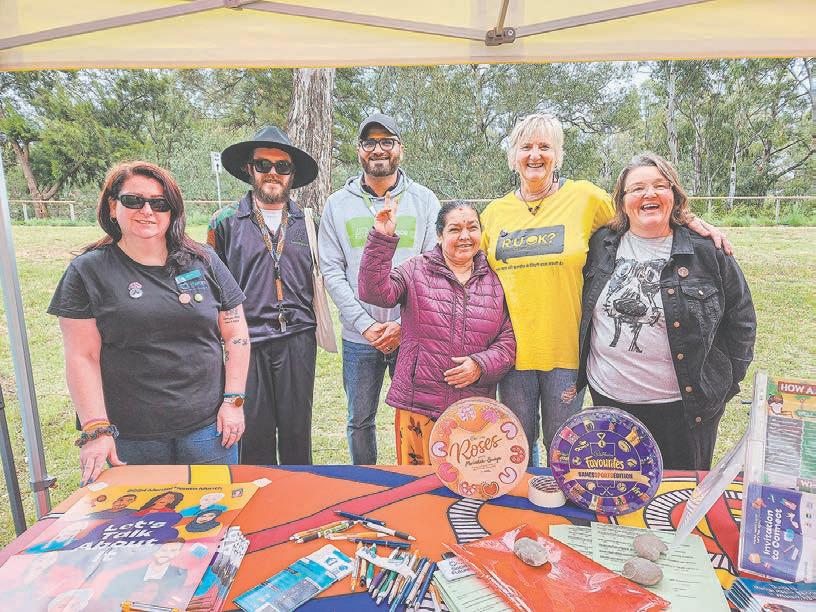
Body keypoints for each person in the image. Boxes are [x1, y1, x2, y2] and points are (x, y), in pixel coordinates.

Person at [479, 113, 731, 462]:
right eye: (526, 147)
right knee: (518, 446)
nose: (535, 155)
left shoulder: (584, 198)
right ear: (513, 156)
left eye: (544, 147)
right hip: (512, 353)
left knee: (565, 448)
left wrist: (688, 219)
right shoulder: (494, 213)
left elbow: (637, 208)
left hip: (567, 353)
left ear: (558, 154)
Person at [48, 161, 250, 484]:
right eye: (133, 200)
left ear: (173, 210)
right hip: (131, 437)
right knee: (143, 515)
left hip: (209, 429)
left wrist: (234, 401)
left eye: (159, 203)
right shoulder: (87, 272)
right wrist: (96, 429)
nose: (147, 211)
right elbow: (82, 356)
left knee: (214, 512)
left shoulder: (204, 260)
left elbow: (236, 331)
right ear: (112, 206)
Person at [577, 152, 756, 469]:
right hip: (610, 402)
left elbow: (741, 320)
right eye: (637, 188)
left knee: (679, 494)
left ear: (674, 195)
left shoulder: (707, 252)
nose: (649, 194)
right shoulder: (599, 245)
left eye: (660, 186)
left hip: (683, 410)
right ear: (622, 201)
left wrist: (724, 381)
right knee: (620, 488)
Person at [319, 112, 441, 465]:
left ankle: (417, 482)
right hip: (360, 338)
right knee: (359, 421)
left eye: (387, 141)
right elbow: (331, 270)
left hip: (413, 334)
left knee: (419, 417)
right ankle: (367, 483)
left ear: (400, 148)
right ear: (359, 150)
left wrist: (403, 325)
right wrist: (366, 325)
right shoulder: (337, 205)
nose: (378, 149)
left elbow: (434, 268)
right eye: (369, 142)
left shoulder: (424, 200)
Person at [359, 199, 515, 464]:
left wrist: (480, 365)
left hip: (472, 410)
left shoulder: (496, 279)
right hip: (418, 406)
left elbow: (508, 342)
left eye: (472, 227)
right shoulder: (415, 270)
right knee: (418, 484)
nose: (465, 236)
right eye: (454, 229)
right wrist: (381, 238)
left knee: (465, 480)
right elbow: (374, 293)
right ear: (440, 236)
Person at [210, 126, 320, 466]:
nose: (273, 173)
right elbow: (213, 285)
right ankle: (258, 494)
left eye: (282, 166)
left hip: (298, 337)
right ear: (249, 169)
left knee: (297, 432)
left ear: (292, 174)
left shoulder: (308, 222)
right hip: (248, 339)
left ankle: (300, 493)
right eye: (263, 164)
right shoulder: (225, 221)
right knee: (253, 434)